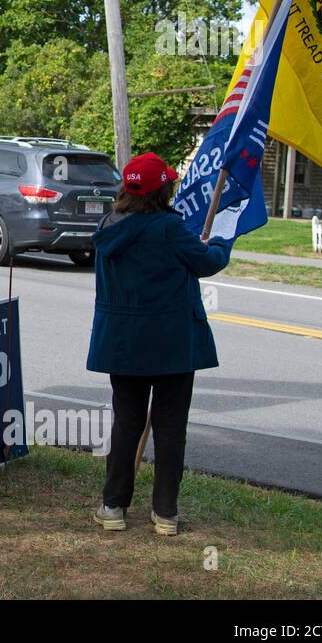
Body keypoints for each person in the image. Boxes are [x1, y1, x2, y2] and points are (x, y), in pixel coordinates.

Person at [87, 152, 233, 536]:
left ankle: (113, 506)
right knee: (170, 428)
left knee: (126, 425)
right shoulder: (170, 229)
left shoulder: (107, 226)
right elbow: (207, 263)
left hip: (123, 344)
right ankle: (165, 513)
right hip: (172, 344)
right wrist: (220, 241)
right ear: (162, 191)